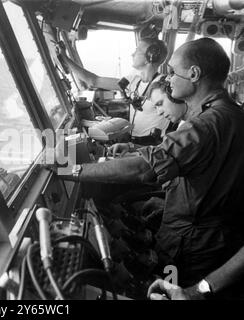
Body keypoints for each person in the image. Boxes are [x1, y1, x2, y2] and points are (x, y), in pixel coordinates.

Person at [53, 37, 244, 299]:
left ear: (194, 74)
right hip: (208, 238)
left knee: (170, 288)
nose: (167, 78)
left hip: (190, 247)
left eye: (172, 72)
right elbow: (209, 182)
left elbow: (144, 170)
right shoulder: (232, 114)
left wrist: (72, 171)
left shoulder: (205, 126)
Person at [57, 38, 170, 144]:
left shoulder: (164, 85)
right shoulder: (134, 81)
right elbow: (94, 81)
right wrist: (65, 58)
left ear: (150, 57)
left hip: (152, 145)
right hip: (133, 141)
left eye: (137, 51)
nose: (132, 54)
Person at [109, 76, 188, 157]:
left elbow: (164, 157)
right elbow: (162, 151)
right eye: (156, 107)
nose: (159, 112)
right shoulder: (183, 124)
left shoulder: (190, 128)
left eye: (160, 103)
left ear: (175, 95)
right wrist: (130, 147)